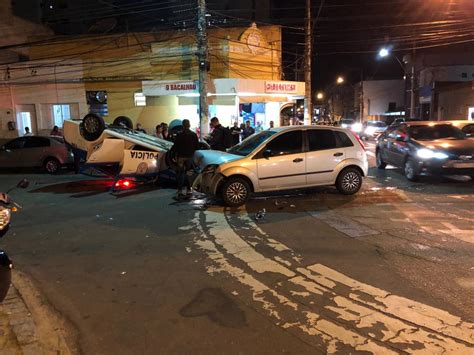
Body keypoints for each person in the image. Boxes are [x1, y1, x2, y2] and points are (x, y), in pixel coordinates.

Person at [172, 119, 199, 197]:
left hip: (181, 157)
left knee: (180, 173)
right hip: (190, 156)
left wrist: (174, 155)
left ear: (182, 126)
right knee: (188, 173)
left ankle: (180, 190)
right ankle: (188, 189)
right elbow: (197, 146)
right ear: (189, 125)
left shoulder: (179, 135)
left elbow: (175, 146)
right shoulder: (193, 135)